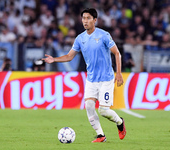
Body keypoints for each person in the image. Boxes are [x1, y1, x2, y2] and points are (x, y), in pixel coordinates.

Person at [42, 8, 126, 143]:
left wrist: (119, 73)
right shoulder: (80, 39)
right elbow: (70, 56)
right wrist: (54, 59)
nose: (85, 21)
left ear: (95, 20)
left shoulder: (104, 35)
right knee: (89, 106)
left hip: (106, 78)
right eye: (83, 18)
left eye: (88, 18)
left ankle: (119, 122)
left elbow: (117, 53)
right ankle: (100, 135)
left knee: (103, 111)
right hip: (91, 79)